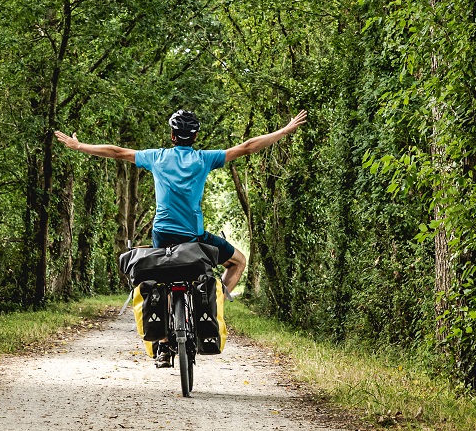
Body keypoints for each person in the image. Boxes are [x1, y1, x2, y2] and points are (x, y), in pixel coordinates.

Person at [53, 109, 307, 364]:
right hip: (194, 238)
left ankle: (163, 345)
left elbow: (117, 152)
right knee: (238, 261)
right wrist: (284, 131)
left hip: (162, 234)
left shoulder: (156, 157)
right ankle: (211, 303)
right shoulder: (204, 159)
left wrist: (79, 146)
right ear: (195, 135)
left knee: (160, 280)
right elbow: (247, 147)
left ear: (172, 135)